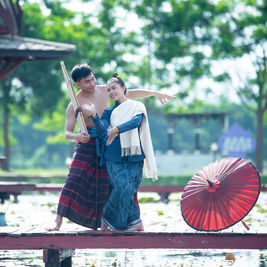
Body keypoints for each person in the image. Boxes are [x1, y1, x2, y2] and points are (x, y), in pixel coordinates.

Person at [46, 63, 175, 231]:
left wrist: (154, 93)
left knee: (117, 182)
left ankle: (117, 223)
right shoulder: (74, 104)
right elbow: (67, 133)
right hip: (86, 144)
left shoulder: (105, 90)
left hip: (110, 141)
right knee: (73, 179)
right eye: (87, 82)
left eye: (93, 79)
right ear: (77, 84)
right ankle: (57, 223)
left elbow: (130, 92)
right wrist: (78, 136)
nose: (92, 84)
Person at [83, 72, 158, 231]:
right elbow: (103, 130)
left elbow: (136, 122)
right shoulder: (109, 112)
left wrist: (117, 129)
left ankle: (117, 220)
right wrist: (94, 115)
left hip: (135, 156)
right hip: (113, 157)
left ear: (123, 88)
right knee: (125, 187)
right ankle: (135, 223)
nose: (111, 92)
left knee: (128, 189)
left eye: (114, 88)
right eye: (108, 90)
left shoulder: (137, 106)